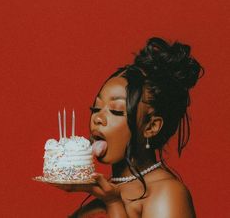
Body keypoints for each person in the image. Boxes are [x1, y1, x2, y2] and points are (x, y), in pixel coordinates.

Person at [67, 37, 204, 218]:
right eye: (96, 108)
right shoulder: (107, 189)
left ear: (151, 126)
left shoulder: (167, 193)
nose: (98, 118)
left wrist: (113, 203)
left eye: (116, 112)